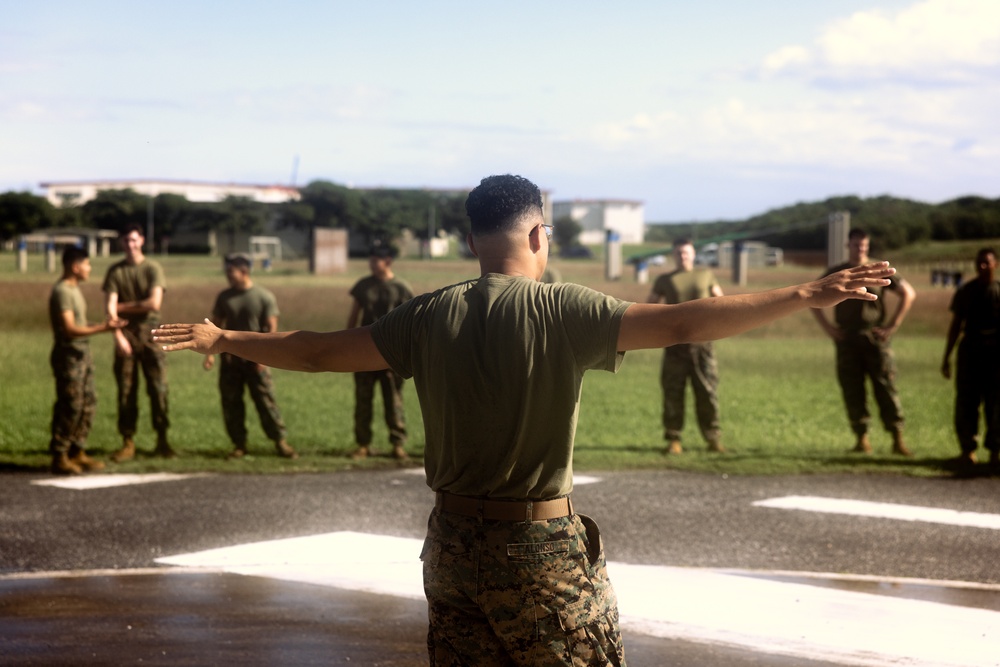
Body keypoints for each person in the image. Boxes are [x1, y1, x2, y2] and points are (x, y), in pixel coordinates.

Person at [152, 174, 896, 666]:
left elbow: (314, 352)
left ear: (472, 240)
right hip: (538, 552)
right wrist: (806, 293)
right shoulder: (563, 308)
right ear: (538, 234)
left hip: (448, 548)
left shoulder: (424, 314)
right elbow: (681, 322)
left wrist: (224, 337)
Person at [812, 227, 915, 456]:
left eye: (865, 246)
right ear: (848, 245)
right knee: (852, 389)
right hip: (847, 337)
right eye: (857, 244)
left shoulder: (878, 269)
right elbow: (812, 297)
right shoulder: (837, 272)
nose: (861, 249)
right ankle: (862, 439)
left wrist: (893, 325)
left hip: (874, 337)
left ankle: (897, 439)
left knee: (885, 387)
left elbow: (908, 293)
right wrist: (829, 329)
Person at [203, 254, 297, 460]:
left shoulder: (264, 296)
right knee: (232, 403)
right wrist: (209, 354)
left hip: (257, 357)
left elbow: (272, 330)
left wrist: (265, 358)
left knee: (265, 401)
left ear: (244, 272)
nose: (228, 276)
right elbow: (215, 327)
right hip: (230, 359)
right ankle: (239, 444)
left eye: (231, 272)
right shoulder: (224, 297)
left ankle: (280, 442)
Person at [48, 246, 126, 475]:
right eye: (87, 264)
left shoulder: (74, 289)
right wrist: (103, 329)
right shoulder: (63, 291)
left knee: (88, 402)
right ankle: (60, 454)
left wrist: (104, 326)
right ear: (75, 266)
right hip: (68, 356)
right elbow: (70, 329)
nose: (89, 269)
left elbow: (80, 324)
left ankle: (77, 450)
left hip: (82, 355)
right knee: (70, 405)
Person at [102, 224, 174, 461]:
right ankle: (128, 441)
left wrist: (121, 307)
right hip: (126, 335)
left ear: (141, 240)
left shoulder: (153, 268)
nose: (130, 245)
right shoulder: (115, 272)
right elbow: (108, 310)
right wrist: (118, 336)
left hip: (152, 334)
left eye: (134, 240)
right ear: (121, 244)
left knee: (158, 388)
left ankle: (162, 440)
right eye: (126, 241)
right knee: (126, 390)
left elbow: (154, 304)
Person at [647, 238, 725, 454]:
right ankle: (674, 439)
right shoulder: (664, 279)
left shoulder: (705, 275)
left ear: (693, 254)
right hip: (674, 346)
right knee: (673, 392)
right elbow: (649, 306)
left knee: (707, 392)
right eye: (679, 253)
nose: (683, 257)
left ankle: (713, 438)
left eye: (686, 253)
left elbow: (721, 302)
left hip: (702, 346)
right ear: (674, 255)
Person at [346, 245, 413, 460]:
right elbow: (354, 316)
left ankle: (397, 443)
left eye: (376, 261)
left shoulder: (401, 288)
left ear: (388, 261)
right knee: (363, 400)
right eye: (371, 260)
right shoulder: (363, 286)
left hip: (391, 354)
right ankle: (363, 444)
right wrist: (349, 345)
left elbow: (410, 321)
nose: (372, 264)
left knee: (393, 401)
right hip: (364, 352)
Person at [941, 248, 1000, 468]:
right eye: (979, 262)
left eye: (987, 262)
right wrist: (946, 357)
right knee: (966, 403)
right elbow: (956, 326)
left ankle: (995, 453)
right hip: (970, 354)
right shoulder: (966, 291)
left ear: (996, 264)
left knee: (996, 405)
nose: (982, 266)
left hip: (995, 357)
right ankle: (968, 451)